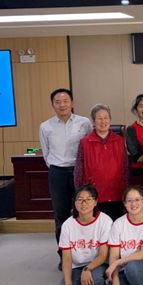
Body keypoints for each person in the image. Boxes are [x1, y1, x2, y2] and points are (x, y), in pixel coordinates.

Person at [39, 88, 92, 262]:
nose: (62, 105)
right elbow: (46, 153)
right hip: (58, 173)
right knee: (61, 216)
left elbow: (89, 147)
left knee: (83, 212)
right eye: (57, 102)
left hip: (79, 173)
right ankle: (65, 256)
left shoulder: (84, 123)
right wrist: (58, 167)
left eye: (65, 101)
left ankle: (85, 253)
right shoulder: (45, 126)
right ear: (53, 105)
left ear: (72, 103)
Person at [56, 185, 112, 285]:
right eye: (80, 199)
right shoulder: (67, 225)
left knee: (96, 278)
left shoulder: (104, 221)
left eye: (88, 199)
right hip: (77, 267)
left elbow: (103, 255)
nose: (84, 203)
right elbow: (66, 258)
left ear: (95, 202)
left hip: (98, 264)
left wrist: (88, 269)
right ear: (75, 202)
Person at [74, 104, 128, 220]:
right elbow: (78, 171)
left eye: (106, 118)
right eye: (99, 118)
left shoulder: (119, 140)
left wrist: (126, 190)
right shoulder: (85, 142)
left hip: (116, 193)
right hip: (93, 195)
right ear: (93, 121)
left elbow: (126, 168)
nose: (103, 121)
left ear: (110, 120)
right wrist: (80, 194)